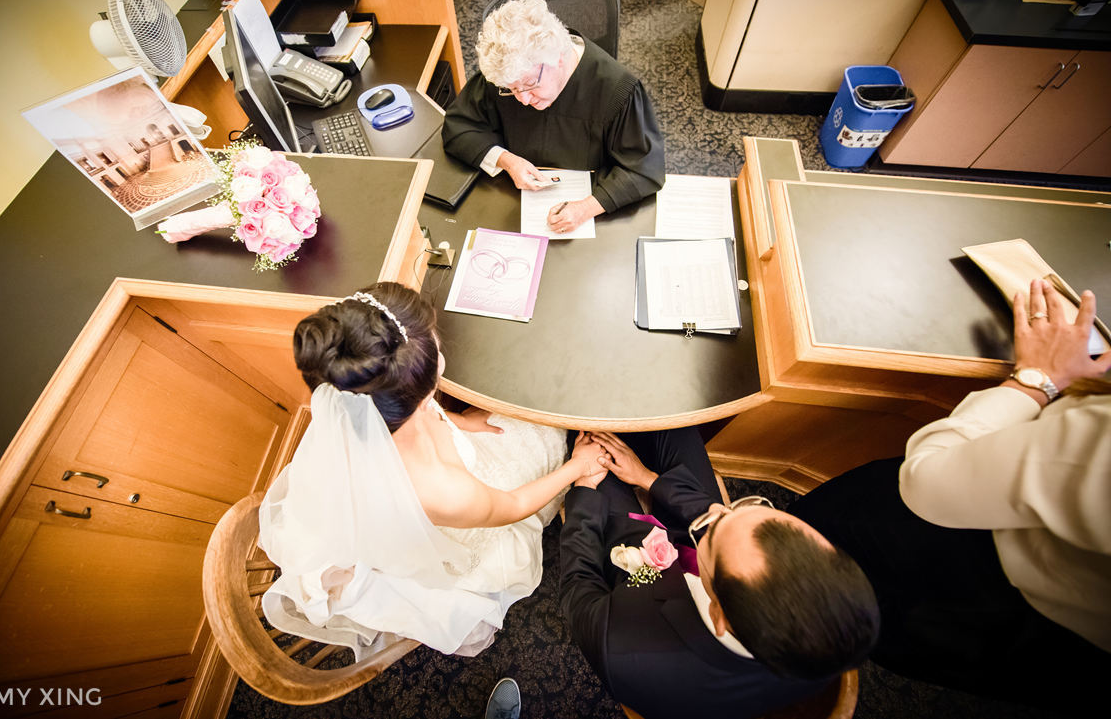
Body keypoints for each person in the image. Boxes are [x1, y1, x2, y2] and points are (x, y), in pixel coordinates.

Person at [790, 278, 1111, 712]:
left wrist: (1038, 381)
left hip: (968, 567)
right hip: (1073, 646)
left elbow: (926, 481)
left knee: (810, 560)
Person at [257, 282, 606, 660]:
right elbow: (512, 505)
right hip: (476, 513)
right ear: (422, 387)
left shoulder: (355, 407)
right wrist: (577, 466)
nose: (439, 342)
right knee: (548, 428)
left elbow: (423, 414)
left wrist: (458, 421)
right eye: (433, 336)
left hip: (437, 482)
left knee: (523, 409)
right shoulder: (444, 490)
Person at [558, 427, 879, 719]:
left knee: (592, 443)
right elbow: (717, 515)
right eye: (752, 511)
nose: (714, 510)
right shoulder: (837, 637)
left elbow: (578, 585)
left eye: (717, 528)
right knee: (675, 420)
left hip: (634, 572)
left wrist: (584, 486)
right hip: (698, 548)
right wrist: (649, 478)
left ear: (719, 614)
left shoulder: (623, 649)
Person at [442, 0, 665, 234]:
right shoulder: (507, 75)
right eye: (511, 90)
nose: (523, 99)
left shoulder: (617, 90)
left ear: (559, 57)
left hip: (591, 211)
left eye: (529, 85)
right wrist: (506, 160)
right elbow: (458, 126)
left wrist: (585, 208)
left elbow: (643, 168)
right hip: (511, 198)